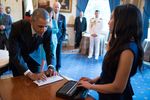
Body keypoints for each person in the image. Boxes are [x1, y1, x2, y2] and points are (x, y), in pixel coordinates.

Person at [79, 4, 143, 100]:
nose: (108, 22)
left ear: (123, 21)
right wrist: (93, 80)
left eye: (112, 18)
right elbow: (110, 73)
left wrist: (90, 86)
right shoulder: (120, 42)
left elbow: (118, 87)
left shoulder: (128, 50)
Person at [9, 8, 57, 81]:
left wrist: (51, 66)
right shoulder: (17, 27)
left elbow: (49, 50)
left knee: (38, 82)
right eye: (40, 26)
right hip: (18, 60)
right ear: (31, 21)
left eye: (46, 26)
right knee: (20, 85)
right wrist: (30, 74)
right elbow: (14, 54)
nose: (43, 30)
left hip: (32, 58)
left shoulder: (48, 30)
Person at [53, 2, 66, 71]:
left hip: (59, 39)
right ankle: (51, 67)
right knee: (51, 53)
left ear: (59, 8)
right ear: (53, 7)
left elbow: (64, 29)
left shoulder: (63, 17)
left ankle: (58, 67)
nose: (56, 8)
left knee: (58, 53)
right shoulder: (50, 16)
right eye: (55, 7)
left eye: (58, 7)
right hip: (51, 38)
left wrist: (62, 38)